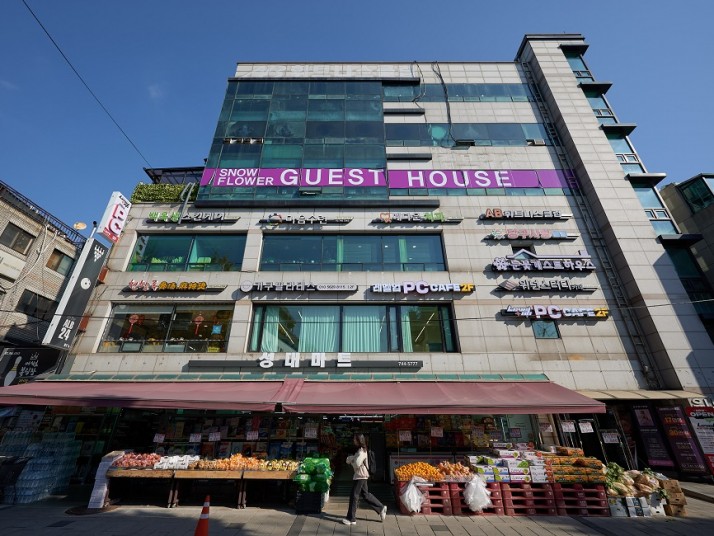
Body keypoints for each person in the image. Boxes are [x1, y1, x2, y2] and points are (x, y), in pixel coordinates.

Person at [342, 433, 387, 525]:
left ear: (359, 441)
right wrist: (352, 458)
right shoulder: (361, 450)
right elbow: (356, 460)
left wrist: (350, 460)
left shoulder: (361, 451)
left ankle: (351, 518)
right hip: (362, 475)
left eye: (355, 439)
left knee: (354, 496)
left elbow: (357, 464)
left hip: (360, 476)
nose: (353, 441)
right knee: (365, 495)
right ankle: (381, 508)